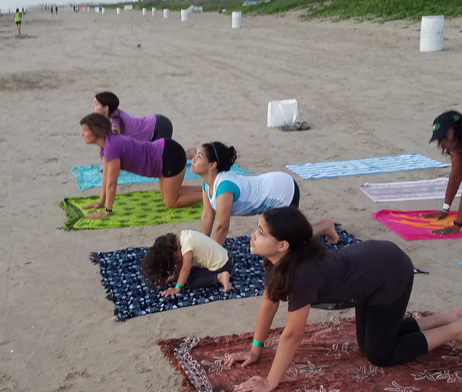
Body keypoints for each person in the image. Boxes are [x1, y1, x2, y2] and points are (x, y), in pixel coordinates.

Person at [224, 208, 462, 392]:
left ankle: (456, 329)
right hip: (367, 278)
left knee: (381, 354)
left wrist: (270, 382)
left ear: (282, 245)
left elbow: (292, 334)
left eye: (260, 232)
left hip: (389, 273)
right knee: (367, 343)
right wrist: (255, 349)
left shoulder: (302, 274)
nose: (252, 236)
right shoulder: (278, 260)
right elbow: (269, 304)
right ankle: (447, 318)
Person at [192, 141, 338, 246]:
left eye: (199, 157)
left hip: (282, 190)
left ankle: (325, 225)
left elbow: (222, 227)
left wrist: (213, 257)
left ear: (212, 166)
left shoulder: (224, 187)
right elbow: (207, 215)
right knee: (274, 239)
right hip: (272, 186)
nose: (193, 160)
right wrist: (203, 246)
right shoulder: (207, 183)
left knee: (287, 239)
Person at [79, 113, 202, 217]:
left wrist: (107, 210)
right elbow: (105, 176)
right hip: (163, 153)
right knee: (168, 195)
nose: (82, 134)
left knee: (171, 203)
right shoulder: (106, 145)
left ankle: (209, 196)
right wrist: (101, 201)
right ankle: (206, 189)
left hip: (169, 155)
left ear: (96, 131)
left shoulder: (111, 147)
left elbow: (112, 183)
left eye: (85, 130)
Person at [141, 230, 232, 296]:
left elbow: (185, 269)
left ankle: (220, 277)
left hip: (222, 265)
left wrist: (177, 288)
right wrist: (174, 276)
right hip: (222, 258)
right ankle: (219, 275)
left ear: (175, 251)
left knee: (191, 281)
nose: (176, 260)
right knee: (185, 276)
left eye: (175, 258)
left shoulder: (187, 246)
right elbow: (180, 264)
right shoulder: (184, 237)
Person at [93, 91, 173, 142]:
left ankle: (183, 157)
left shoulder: (115, 119)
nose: (93, 107)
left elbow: (113, 143)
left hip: (159, 125)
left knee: (162, 156)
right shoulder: (112, 115)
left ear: (106, 108)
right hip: (155, 124)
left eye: (96, 104)